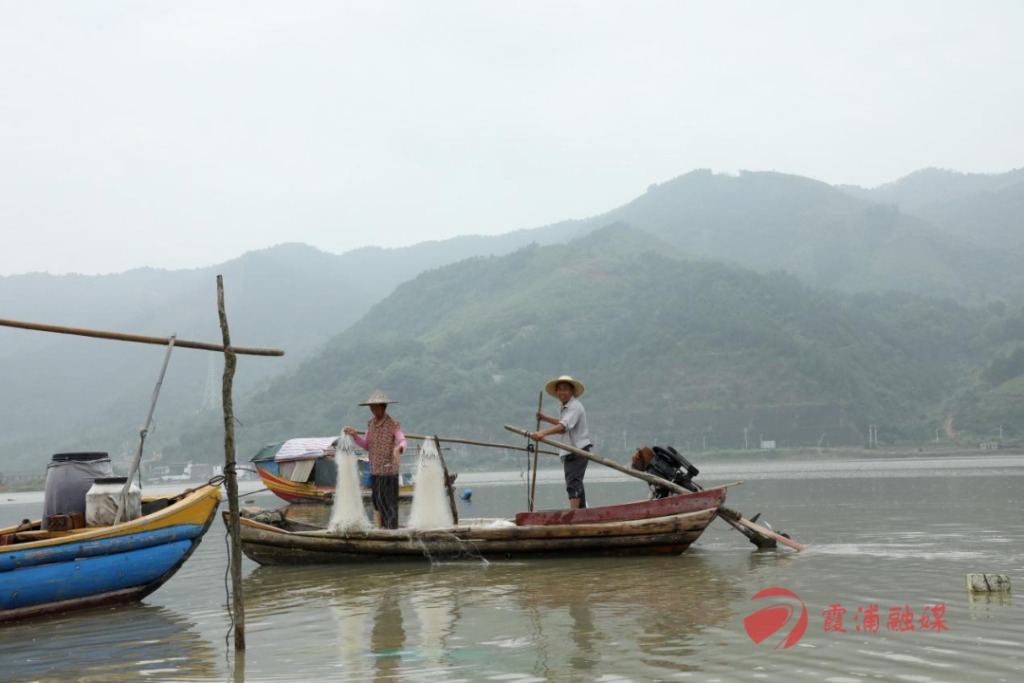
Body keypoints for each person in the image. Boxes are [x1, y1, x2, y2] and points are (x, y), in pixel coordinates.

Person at [343, 390, 406, 528]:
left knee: (390, 503)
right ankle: (383, 528)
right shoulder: (370, 424)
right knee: (378, 502)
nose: (372, 410)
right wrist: (355, 435)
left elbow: (402, 440)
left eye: (375, 407)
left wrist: (398, 449)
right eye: (371, 408)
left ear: (383, 407)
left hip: (389, 471)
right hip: (375, 470)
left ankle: (392, 530)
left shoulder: (392, 424)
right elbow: (367, 445)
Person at [527, 375, 592, 509]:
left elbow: (563, 426)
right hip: (570, 451)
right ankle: (583, 514)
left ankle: (573, 516)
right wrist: (544, 418)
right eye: (559, 390)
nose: (562, 392)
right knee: (577, 484)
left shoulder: (575, 406)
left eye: (565, 389)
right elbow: (562, 422)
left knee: (573, 484)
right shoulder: (566, 407)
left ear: (572, 391)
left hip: (578, 451)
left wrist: (542, 433)